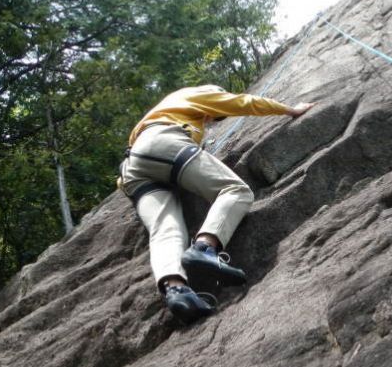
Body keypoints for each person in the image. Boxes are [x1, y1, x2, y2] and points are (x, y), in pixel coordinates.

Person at [118, 84, 314, 323]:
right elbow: (242, 103)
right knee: (236, 190)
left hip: (133, 168)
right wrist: (290, 110)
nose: (210, 119)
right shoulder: (196, 93)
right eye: (212, 116)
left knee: (165, 230)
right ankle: (203, 248)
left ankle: (177, 291)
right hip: (161, 141)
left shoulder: (166, 108)